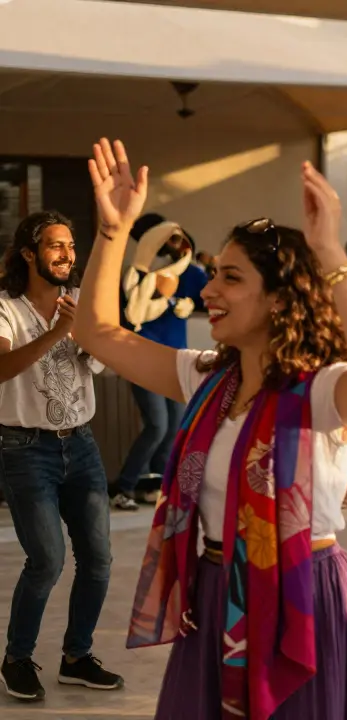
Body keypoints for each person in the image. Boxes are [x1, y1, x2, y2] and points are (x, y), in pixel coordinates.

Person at [75, 139, 347, 720]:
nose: (208, 290)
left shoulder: (322, 392)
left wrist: (330, 252)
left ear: (280, 299)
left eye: (231, 277)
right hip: (216, 599)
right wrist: (112, 233)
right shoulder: (208, 379)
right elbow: (99, 332)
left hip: (303, 602)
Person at [0, 210, 121, 703]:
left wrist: (92, 336)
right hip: (25, 449)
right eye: (55, 245)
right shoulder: (6, 308)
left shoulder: (79, 306)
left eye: (71, 246)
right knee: (47, 560)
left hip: (82, 443)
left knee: (98, 559)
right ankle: (16, 660)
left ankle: (76, 657)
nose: (67, 255)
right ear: (29, 254)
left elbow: (100, 364)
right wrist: (56, 333)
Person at [108, 213, 208, 510]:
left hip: (177, 360)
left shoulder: (190, 273)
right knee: (157, 426)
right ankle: (123, 487)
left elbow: (211, 299)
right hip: (141, 358)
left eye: (175, 237)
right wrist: (165, 299)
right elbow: (130, 316)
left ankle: (155, 486)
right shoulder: (138, 273)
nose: (171, 243)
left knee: (174, 427)